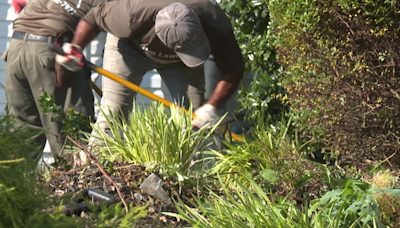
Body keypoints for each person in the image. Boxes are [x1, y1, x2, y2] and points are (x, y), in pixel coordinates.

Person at [56, 0, 244, 132]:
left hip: (179, 64)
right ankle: (97, 173)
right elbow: (94, 18)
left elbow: (233, 69)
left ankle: (189, 178)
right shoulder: (130, 15)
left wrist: (212, 106)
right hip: (130, 50)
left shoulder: (214, 21)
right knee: (113, 115)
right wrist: (76, 47)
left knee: (192, 121)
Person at [1, 0, 109, 160]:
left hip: (16, 48)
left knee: (23, 132)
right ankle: (74, 183)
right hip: (52, 48)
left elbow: (19, 2)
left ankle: (13, 183)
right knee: (71, 132)